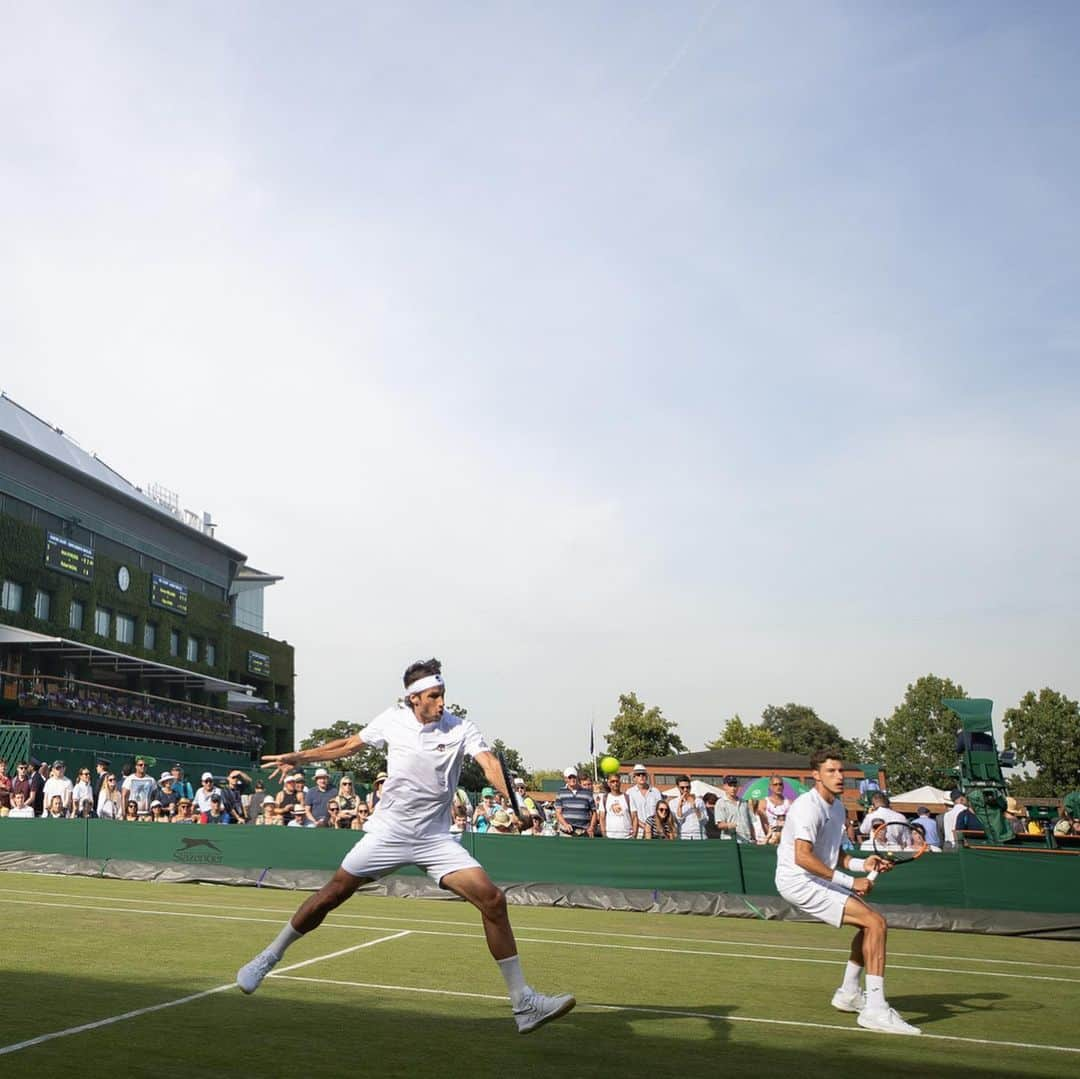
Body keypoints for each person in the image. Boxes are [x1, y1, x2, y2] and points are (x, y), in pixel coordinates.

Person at [236, 657, 575, 1033]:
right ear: (414, 698)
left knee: (492, 899)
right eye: (434, 695)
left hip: (435, 839)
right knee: (330, 895)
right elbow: (348, 746)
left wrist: (508, 795)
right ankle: (267, 958)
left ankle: (523, 1004)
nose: (442, 702)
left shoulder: (461, 727)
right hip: (389, 833)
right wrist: (298, 757)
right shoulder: (391, 720)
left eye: (443, 694)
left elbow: (489, 762)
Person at [774, 748, 919, 1036]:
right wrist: (851, 882)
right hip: (797, 879)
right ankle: (875, 1010)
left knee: (869, 926)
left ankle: (849, 993)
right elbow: (803, 857)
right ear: (816, 775)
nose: (839, 776)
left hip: (815, 876)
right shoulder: (807, 807)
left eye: (841, 771)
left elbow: (834, 854)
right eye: (831, 771)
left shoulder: (837, 807)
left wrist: (861, 863)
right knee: (876, 923)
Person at [554, 769, 597, 837]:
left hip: (584, 831)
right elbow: (558, 812)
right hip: (566, 832)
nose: (572, 779)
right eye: (570, 777)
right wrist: (565, 824)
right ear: (565, 779)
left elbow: (594, 812)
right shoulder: (560, 792)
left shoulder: (587, 793)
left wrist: (591, 827)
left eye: (574, 777)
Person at [712, 775, 754, 842]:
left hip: (746, 840)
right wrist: (729, 825)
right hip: (730, 840)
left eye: (735, 785)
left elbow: (751, 822)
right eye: (730, 785)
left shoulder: (744, 802)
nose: (733, 788)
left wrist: (754, 838)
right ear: (725, 786)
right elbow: (719, 824)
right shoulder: (721, 802)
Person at [625, 764, 662, 838]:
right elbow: (631, 815)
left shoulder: (656, 791)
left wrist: (652, 827)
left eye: (643, 774)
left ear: (646, 776)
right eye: (638, 774)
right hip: (637, 833)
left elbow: (660, 811)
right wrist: (645, 826)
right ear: (634, 777)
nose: (641, 776)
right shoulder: (629, 793)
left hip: (654, 832)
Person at [597, 773, 635, 839]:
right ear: (608, 783)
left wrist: (634, 835)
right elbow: (602, 818)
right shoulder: (604, 798)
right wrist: (604, 835)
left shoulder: (628, 797)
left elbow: (634, 817)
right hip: (610, 837)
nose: (615, 783)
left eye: (617, 781)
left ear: (620, 782)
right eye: (612, 781)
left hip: (627, 837)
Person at [670, 775, 706, 840]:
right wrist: (680, 807)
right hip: (683, 836)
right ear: (678, 787)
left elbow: (704, 821)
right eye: (682, 787)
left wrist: (695, 807)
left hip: (699, 836)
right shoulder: (673, 803)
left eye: (688, 787)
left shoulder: (699, 801)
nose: (685, 790)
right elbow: (678, 822)